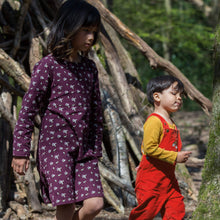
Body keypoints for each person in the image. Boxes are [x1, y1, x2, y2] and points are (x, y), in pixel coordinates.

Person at [11, 1, 104, 219]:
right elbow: (27, 109)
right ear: (68, 27)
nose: (91, 37)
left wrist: (96, 147)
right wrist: (20, 151)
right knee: (66, 204)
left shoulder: (89, 68)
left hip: (85, 151)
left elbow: (96, 112)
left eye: (93, 32)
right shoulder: (48, 66)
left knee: (95, 205)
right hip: (55, 147)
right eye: (85, 30)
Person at [129, 75, 192, 220]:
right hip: (151, 181)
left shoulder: (171, 122)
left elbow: (146, 147)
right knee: (146, 213)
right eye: (174, 93)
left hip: (168, 180)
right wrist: (175, 157)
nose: (179, 98)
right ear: (157, 96)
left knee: (176, 209)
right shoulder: (154, 121)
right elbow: (150, 148)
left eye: (181, 95)